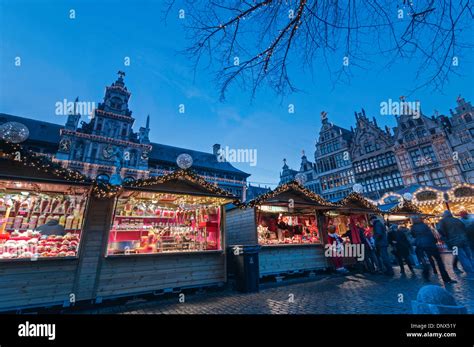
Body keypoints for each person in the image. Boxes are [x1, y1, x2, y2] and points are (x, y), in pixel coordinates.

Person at [410, 216, 456, 284]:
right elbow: (431, 234)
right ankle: (446, 279)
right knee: (440, 262)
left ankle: (426, 276)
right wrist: (434, 241)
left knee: (426, 263)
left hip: (421, 247)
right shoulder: (425, 226)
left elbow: (413, 237)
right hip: (431, 245)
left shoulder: (413, 228)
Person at [437, 210, 474, 280]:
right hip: (464, 240)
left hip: (454, 242)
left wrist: (446, 238)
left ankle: (470, 273)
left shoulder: (443, 221)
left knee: (462, 257)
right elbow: (464, 228)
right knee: (468, 256)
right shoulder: (457, 220)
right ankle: (459, 267)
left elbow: (440, 230)